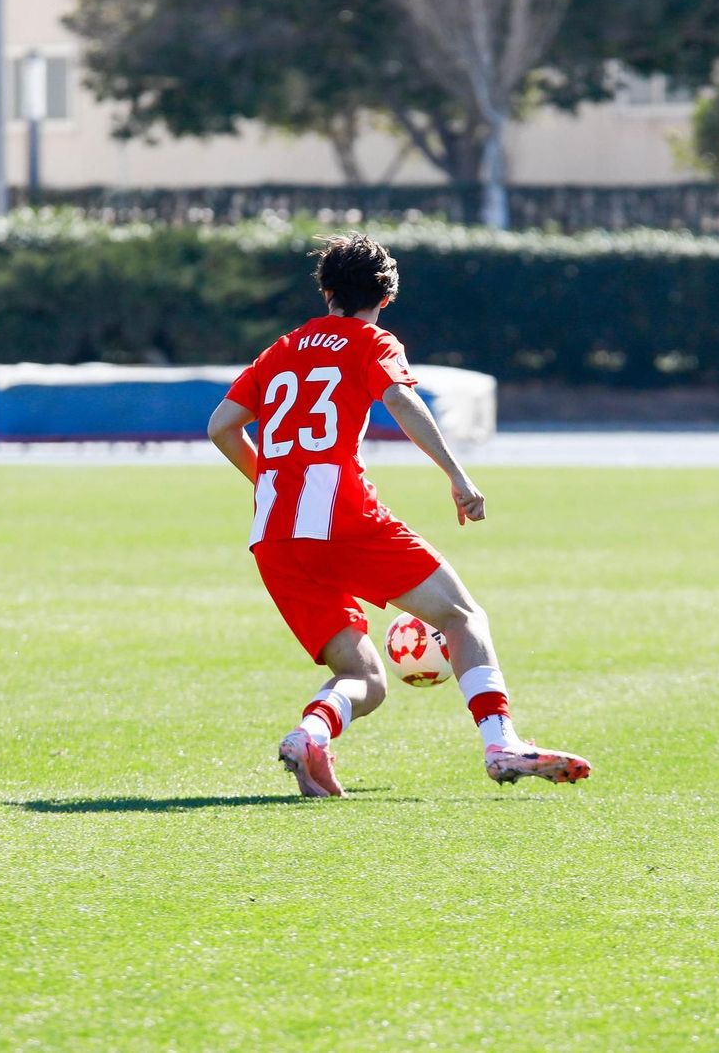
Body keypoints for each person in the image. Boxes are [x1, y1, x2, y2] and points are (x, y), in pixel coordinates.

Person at [206, 232, 591, 796]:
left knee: (364, 678)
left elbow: (221, 427)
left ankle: (311, 734)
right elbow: (402, 398)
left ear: (326, 291)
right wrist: (457, 475)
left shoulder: (282, 349)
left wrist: (271, 481)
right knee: (461, 617)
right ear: (384, 297)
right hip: (340, 517)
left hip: (274, 533)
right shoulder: (371, 341)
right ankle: (502, 742)